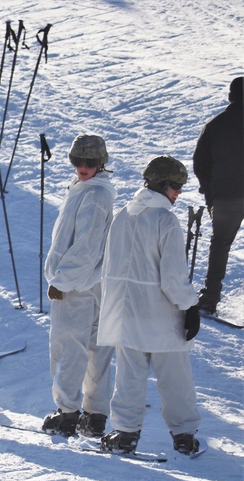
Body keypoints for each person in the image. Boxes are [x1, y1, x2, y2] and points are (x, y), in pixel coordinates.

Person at [97, 156, 202, 456]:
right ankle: (184, 436)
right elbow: (172, 278)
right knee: (175, 378)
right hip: (162, 316)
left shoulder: (122, 216)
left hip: (126, 314)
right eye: (176, 187)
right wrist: (190, 306)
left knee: (129, 377)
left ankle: (125, 434)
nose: (178, 194)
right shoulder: (165, 221)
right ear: (163, 184)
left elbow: (111, 268)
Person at [40, 135, 117, 437]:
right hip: (93, 284)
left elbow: (86, 245)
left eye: (90, 162)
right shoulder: (87, 189)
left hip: (77, 286)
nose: (82, 167)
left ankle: (67, 413)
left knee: (68, 347)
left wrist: (62, 281)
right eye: (77, 161)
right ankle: (95, 415)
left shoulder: (94, 195)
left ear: (101, 163)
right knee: (95, 349)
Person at [193, 76, 244, 315]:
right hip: (228, 195)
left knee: (220, 244)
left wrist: (210, 194)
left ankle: (210, 299)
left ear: (230, 97)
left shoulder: (215, 125)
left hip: (227, 196)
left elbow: (200, 164)